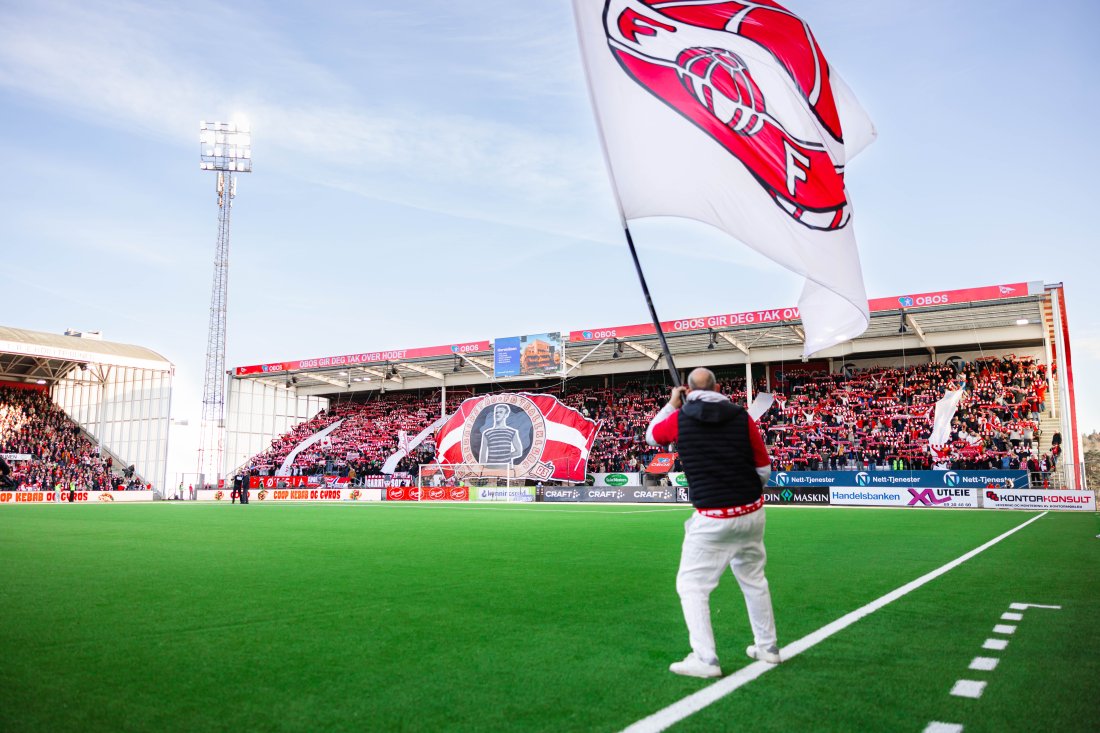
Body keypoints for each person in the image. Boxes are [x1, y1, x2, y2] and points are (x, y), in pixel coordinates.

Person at [646, 367, 779, 678]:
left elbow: (651, 435)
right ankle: (768, 647)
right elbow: (763, 469)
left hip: (712, 516)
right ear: (718, 387)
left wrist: (673, 404)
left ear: (688, 391)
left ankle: (706, 659)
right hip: (751, 512)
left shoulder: (680, 417)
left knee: (692, 585)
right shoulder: (741, 416)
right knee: (754, 580)